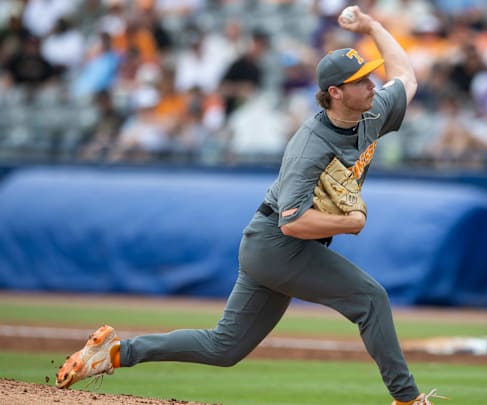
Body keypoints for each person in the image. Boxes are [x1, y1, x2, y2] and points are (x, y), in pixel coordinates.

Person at [55, 7, 444, 405]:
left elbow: (406, 77)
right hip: (278, 245)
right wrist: (350, 223)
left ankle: (115, 354)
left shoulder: (373, 110)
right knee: (370, 299)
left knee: (224, 348)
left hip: (273, 246)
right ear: (335, 93)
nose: (371, 83)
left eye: (369, 75)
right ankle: (408, 399)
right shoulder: (310, 145)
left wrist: (373, 26)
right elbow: (293, 222)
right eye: (360, 80)